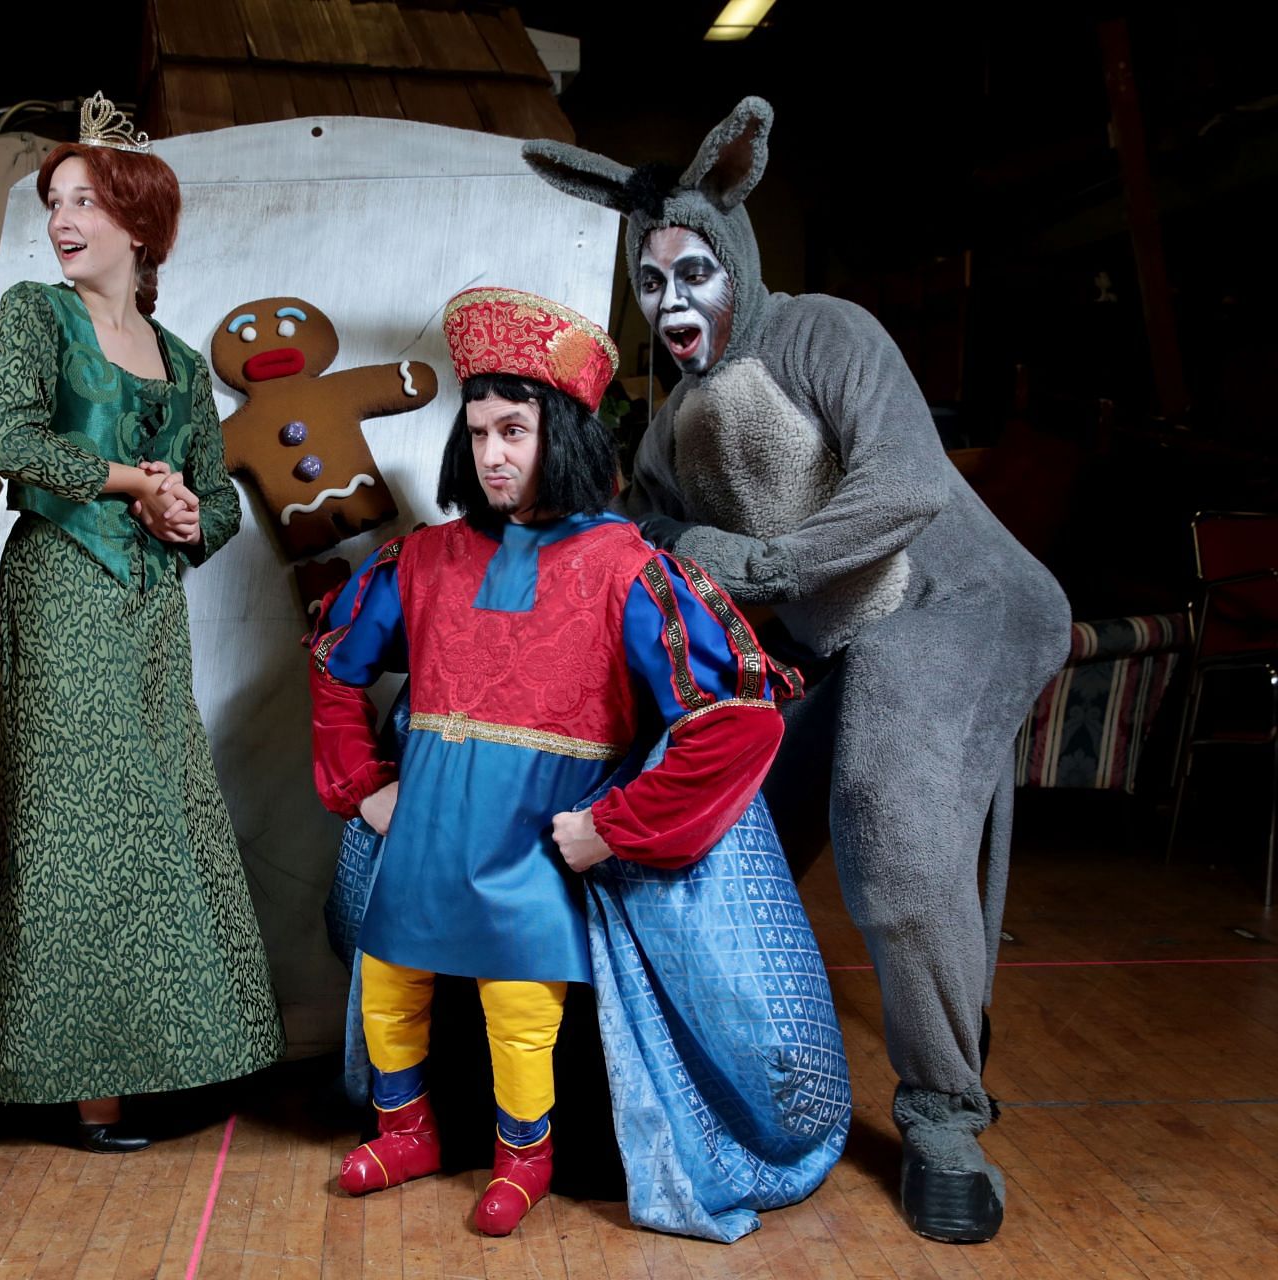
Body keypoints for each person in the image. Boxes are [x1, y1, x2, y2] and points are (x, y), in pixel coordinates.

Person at [525, 98, 1072, 1243]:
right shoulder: (673, 421)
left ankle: (941, 1114)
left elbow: (908, 484)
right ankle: (686, 1080)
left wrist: (764, 560)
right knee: (703, 814)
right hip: (832, 643)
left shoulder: (827, 333)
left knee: (887, 811)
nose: (674, 305)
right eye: (652, 281)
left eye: (694, 273)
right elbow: (649, 540)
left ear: (738, 257)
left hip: (954, 602)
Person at [306, 287, 802, 1237]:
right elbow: (336, 663)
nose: (493, 454)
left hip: (533, 850)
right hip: (426, 839)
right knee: (394, 986)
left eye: (516, 431)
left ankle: (522, 1162)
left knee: (519, 1016)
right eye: (480, 430)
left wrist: (614, 828)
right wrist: (362, 787)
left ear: (563, 436)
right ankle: (404, 1131)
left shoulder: (629, 568)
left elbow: (740, 716)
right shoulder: (422, 558)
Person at [0, 94, 284, 1151]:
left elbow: (219, 500)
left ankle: (170, 1059)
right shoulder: (41, 317)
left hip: (148, 608)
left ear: (140, 219)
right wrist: (126, 476)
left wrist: (183, 509)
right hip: (59, 592)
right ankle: (70, 1080)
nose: (62, 218)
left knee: (156, 819)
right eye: (55, 200)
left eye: (84, 198)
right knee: (70, 826)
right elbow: (1, 433)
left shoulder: (182, 360)